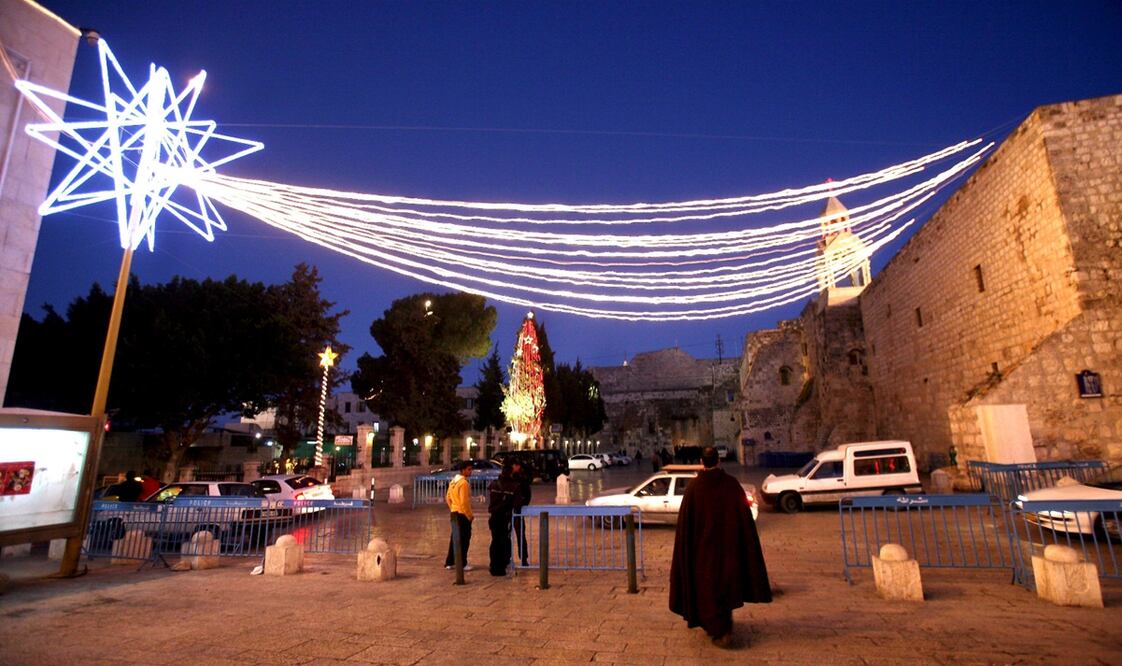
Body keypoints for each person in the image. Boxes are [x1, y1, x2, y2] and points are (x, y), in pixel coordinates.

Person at [669, 446, 771, 648]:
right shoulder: (731, 485)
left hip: (701, 554)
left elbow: (685, 527)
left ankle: (719, 630)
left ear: (701, 462)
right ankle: (721, 628)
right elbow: (744, 519)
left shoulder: (693, 489)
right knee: (724, 588)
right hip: (728, 551)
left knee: (706, 589)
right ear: (719, 461)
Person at [487, 460, 520, 575]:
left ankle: (493, 566)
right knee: (504, 541)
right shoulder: (514, 486)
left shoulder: (493, 484)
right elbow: (517, 503)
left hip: (494, 516)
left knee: (495, 541)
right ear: (511, 473)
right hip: (505, 517)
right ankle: (501, 566)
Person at [444, 460, 475, 571]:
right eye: (469, 469)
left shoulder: (453, 482)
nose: (471, 471)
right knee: (464, 539)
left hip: (454, 513)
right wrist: (469, 515)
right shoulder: (464, 483)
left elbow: (448, 497)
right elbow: (464, 502)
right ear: (463, 470)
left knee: (454, 538)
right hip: (462, 514)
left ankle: (450, 562)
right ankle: (462, 563)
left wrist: (452, 507)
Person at [511, 460, 532, 566]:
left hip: (517, 510)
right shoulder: (509, 477)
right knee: (507, 536)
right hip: (509, 510)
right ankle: (508, 557)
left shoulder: (522, 478)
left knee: (520, 534)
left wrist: (522, 505)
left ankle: (524, 558)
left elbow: (527, 494)